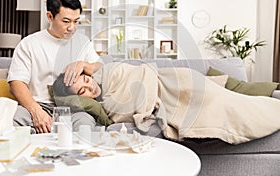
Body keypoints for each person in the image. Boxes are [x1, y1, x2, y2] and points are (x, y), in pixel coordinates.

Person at [52, 62, 280, 145]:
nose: (89, 86)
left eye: (86, 79)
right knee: (226, 106)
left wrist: (83, 65)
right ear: (82, 99)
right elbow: (124, 108)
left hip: (177, 82)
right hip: (171, 98)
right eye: (83, 91)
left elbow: (140, 73)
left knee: (224, 98)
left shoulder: (110, 71)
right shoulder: (106, 103)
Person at [7, 0, 103, 134]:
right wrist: (36, 112)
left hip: (73, 108)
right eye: (66, 21)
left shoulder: (82, 41)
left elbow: (100, 67)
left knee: (84, 124)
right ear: (50, 16)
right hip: (39, 104)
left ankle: (76, 155)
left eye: (76, 21)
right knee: (13, 118)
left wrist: (84, 64)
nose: (72, 27)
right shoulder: (29, 43)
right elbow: (16, 83)